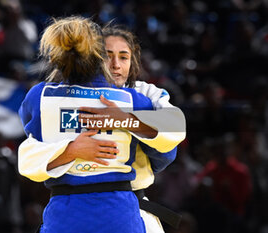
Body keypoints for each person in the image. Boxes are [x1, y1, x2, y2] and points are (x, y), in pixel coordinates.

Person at [19, 24, 186, 233]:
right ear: (98, 58)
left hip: (90, 209)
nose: (116, 65)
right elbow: (166, 153)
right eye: (109, 55)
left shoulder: (145, 92)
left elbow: (175, 131)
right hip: (118, 210)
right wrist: (71, 150)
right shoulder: (137, 100)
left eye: (123, 57)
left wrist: (125, 120)